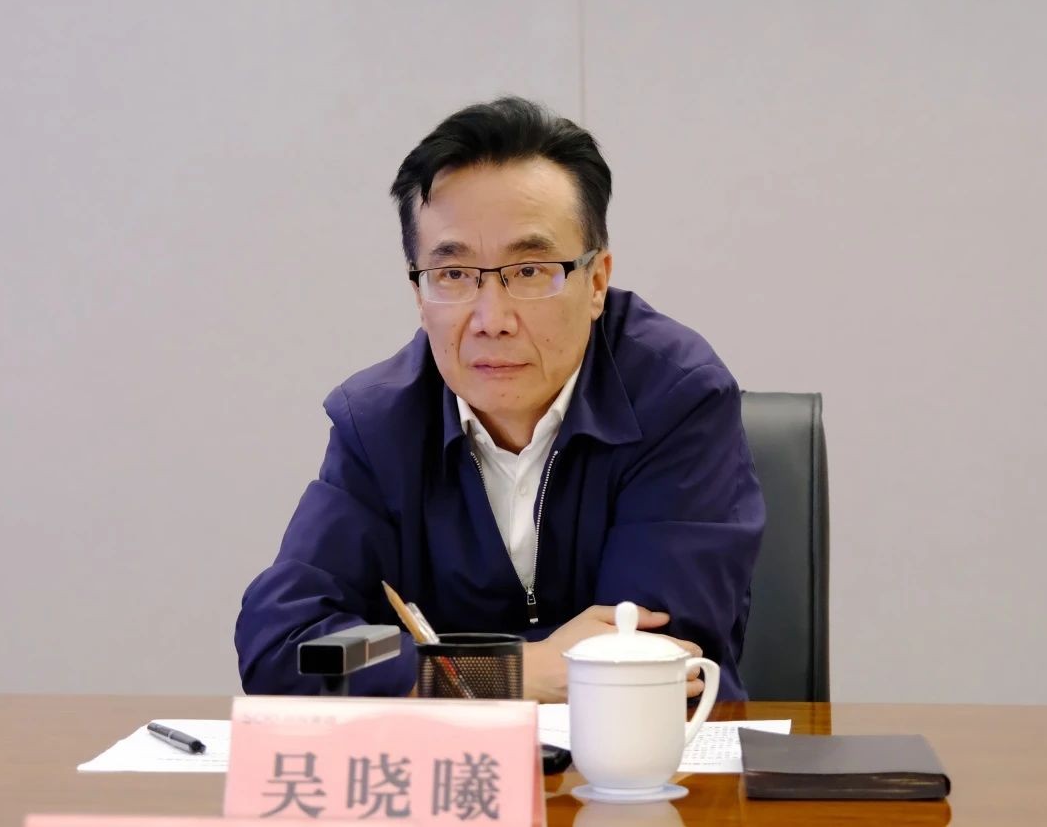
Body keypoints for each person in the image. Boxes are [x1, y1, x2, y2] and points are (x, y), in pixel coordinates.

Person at [235, 97, 765, 702]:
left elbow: (648, 659)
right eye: (454, 275)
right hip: (456, 763)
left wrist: (420, 669)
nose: (492, 319)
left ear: (596, 281)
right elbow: (287, 645)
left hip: (642, 757)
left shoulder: (675, 396)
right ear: (419, 293)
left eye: (531, 270)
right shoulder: (379, 424)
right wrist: (516, 671)